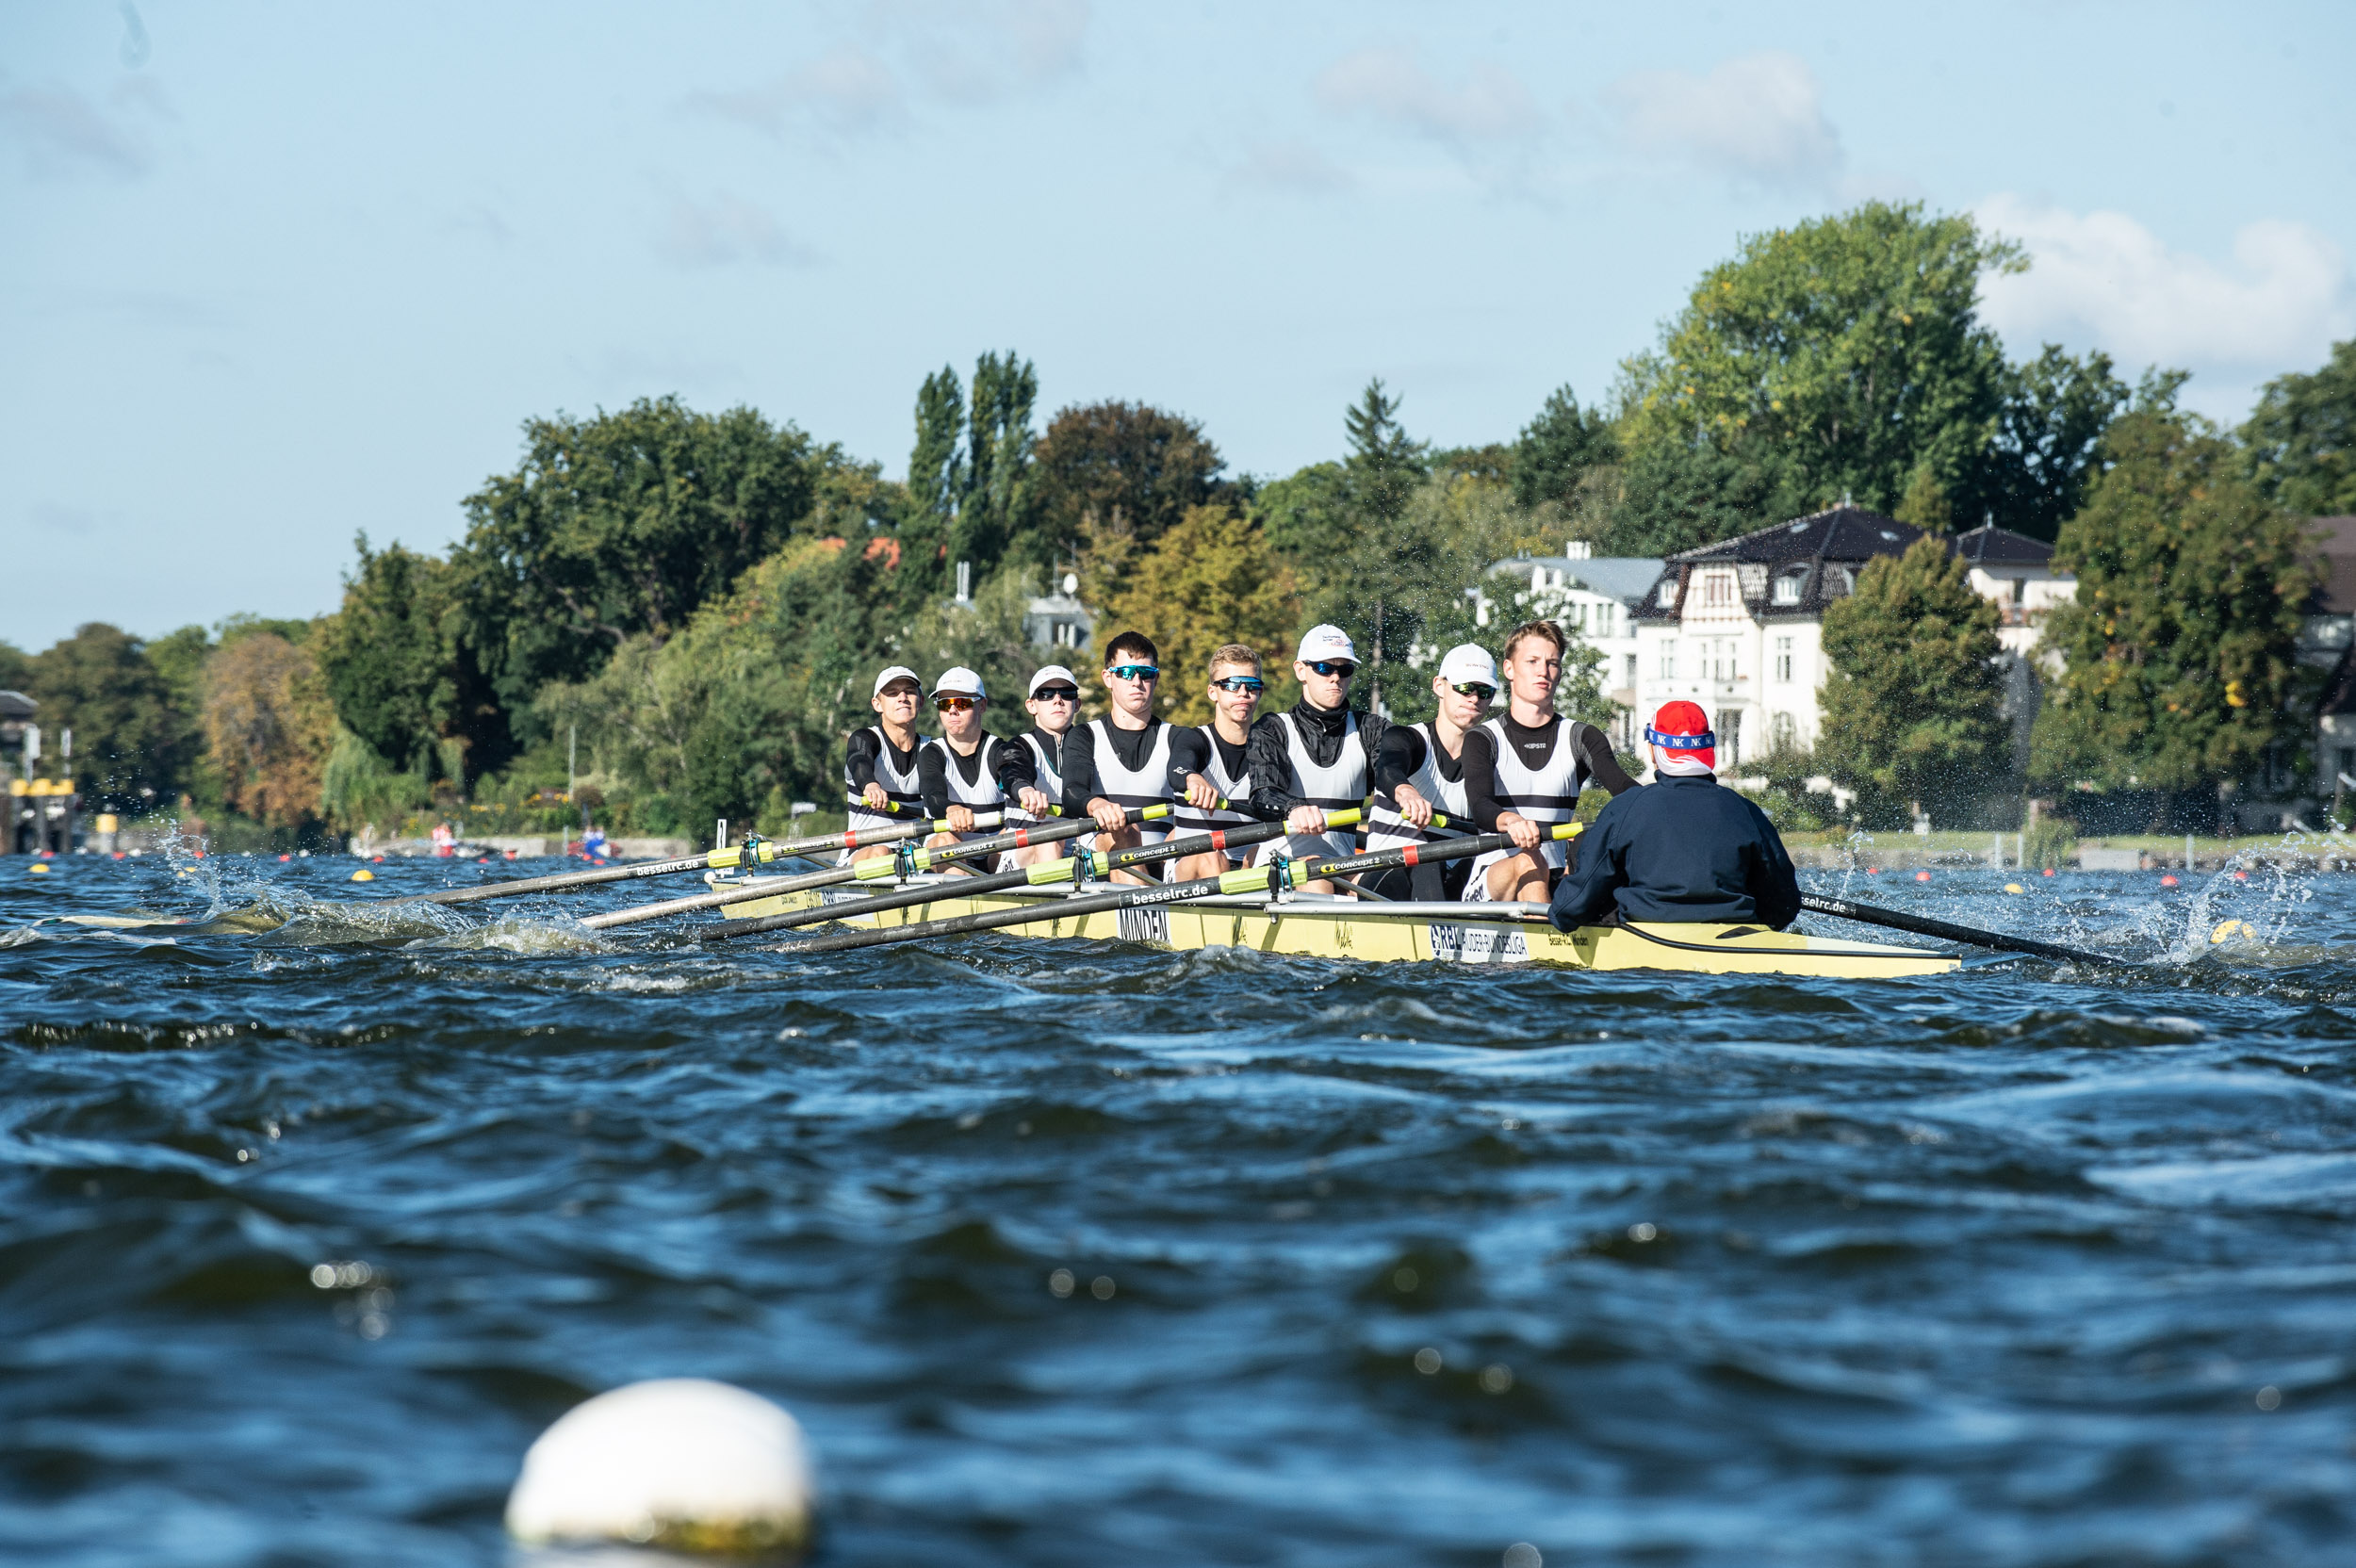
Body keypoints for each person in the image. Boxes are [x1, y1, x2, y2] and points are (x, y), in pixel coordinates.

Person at [1549, 700, 1801, 931]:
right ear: (1708, 747)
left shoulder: (1625, 808)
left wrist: (1559, 910)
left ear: (1653, 751)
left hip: (1646, 943)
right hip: (1734, 936)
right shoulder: (1747, 811)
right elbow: (1785, 906)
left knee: (1583, 842)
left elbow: (1570, 909)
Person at [1462, 619, 1637, 903]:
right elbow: (1481, 806)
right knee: (1530, 861)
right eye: (1532, 661)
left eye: (1552, 663)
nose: (1543, 671)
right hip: (1491, 879)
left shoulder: (1582, 736)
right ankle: (1548, 939)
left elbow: (1627, 792)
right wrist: (1512, 821)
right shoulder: (1483, 738)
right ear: (1509, 669)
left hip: (1557, 877)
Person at [1058, 631, 1222, 885]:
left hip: (1163, 860)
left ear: (1155, 679)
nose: (1137, 682)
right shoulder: (1084, 735)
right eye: (1126, 673)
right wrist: (1098, 805)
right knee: (1125, 830)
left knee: (1208, 846)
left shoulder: (1177, 736)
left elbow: (1184, 763)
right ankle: (1143, 912)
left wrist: (1192, 777)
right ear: (1108, 678)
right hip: (1105, 857)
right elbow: (1072, 792)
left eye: (1145, 674)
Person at [1245, 624, 1388, 896]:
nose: (1335, 677)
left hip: (1344, 864)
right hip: (1280, 863)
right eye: (1324, 668)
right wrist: (1293, 807)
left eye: (1344, 669)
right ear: (1301, 670)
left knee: (1381, 884)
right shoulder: (1272, 729)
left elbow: (1393, 776)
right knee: (1318, 879)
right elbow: (1263, 794)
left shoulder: (1372, 729)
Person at [1363, 644, 1496, 901]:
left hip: (1449, 884)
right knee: (1428, 859)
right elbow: (1388, 767)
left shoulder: (1493, 760)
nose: (1474, 698)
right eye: (1465, 688)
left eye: (1485, 691)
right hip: (1384, 880)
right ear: (1439, 686)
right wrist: (1406, 792)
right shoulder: (1406, 738)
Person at [917, 667, 1055, 875]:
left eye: (962, 703)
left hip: (993, 855)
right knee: (946, 838)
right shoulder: (931, 754)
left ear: (982, 706)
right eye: (945, 704)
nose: (953, 710)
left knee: (1043, 837)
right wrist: (951, 809)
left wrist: (1024, 790)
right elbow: (932, 794)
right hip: (950, 854)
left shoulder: (1000, 749)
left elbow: (1012, 774)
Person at [1169, 644, 1265, 882]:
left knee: (1264, 854)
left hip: (1245, 868)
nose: (1243, 693)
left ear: (1260, 693)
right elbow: (1178, 768)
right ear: (1213, 692)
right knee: (1212, 855)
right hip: (1191, 866)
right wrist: (1192, 777)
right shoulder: (1192, 738)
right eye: (1232, 685)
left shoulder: (1271, 747)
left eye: (1251, 685)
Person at [844, 665, 926, 865]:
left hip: (911, 858)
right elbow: (859, 760)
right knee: (882, 851)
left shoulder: (932, 749)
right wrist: (870, 785)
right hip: (863, 856)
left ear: (921, 701)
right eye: (892, 693)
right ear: (877, 704)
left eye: (909, 691)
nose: (902, 697)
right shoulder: (865, 739)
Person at [1008, 664, 1081, 868]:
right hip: (1020, 850)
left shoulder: (1093, 747)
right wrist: (1025, 790)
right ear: (1031, 705)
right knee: (1050, 834)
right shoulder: (1018, 745)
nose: (1058, 700)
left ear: (1078, 704)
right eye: (1046, 694)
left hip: (1077, 849)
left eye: (1067, 694)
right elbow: (1012, 771)